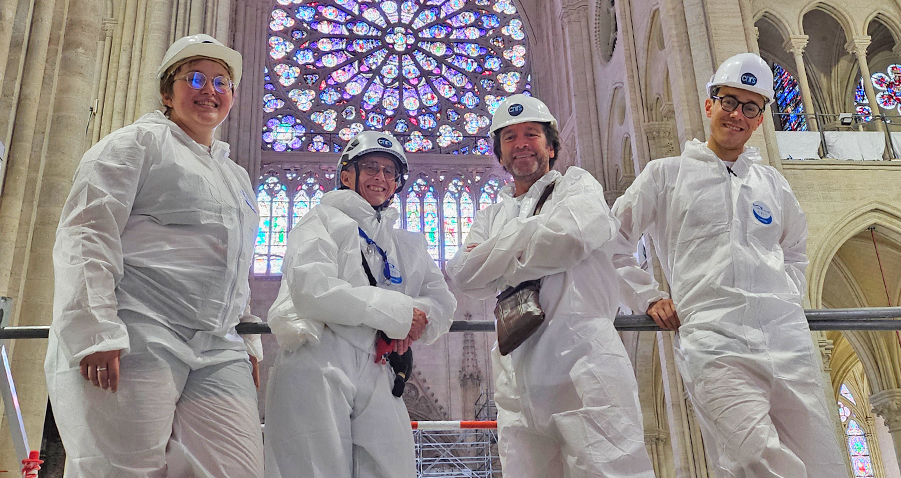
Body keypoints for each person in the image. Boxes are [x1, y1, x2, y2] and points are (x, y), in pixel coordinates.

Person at [612, 53, 850, 477]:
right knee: (751, 458)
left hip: (786, 340)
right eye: (729, 101)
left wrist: (786, 297)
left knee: (824, 462)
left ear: (759, 120)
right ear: (709, 104)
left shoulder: (771, 183)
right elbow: (610, 244)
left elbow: (795, 248)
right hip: (714, 339)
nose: (737, 114)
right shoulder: (665, 175)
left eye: (750, 107)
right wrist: (647, 296)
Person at [44, 34, 265, 477]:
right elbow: (87, 233)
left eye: (223, 82)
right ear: (167, 92)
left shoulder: (235, 175)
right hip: (140, 331)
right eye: (196, 78)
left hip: (218, 344)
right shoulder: (134, 144)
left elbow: (234, 264)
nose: (210, 90)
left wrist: (247, 335)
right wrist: (95, 329)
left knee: (236, 468)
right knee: (125, 469)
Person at [447, 94, 660, 478]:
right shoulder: (491, 214)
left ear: (551, 145)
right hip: (517, 371)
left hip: (583, 359)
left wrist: (497, 256)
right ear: (499, 152)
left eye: (532, 134)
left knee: (608, 469)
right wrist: (530, 237)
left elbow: (572, 238)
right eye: (510, 138)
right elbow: (463, 274)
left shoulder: (577, 186)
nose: (522, 144)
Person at [264, 131, 457, 478]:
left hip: (380, 365)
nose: (380, 178)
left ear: (397, 183)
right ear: (346, 174)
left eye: (388, 171)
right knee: (312, 468)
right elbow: (313, 288)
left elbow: (442, 300)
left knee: (392, 466)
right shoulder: (320, 220)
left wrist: (418, 320)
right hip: (318, 356)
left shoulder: (407, 243)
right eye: (369, 167)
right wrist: (401, 314)